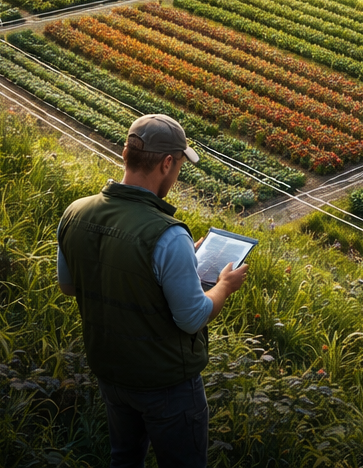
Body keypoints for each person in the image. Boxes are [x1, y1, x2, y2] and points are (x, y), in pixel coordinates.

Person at [57, 114, 249, 468]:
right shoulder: (167, 234)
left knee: (125, 459)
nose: (176, 176)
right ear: (166, 163)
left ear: (126, 153)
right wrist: (223, 285)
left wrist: (179, 261)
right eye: (178, 167)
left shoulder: (75, 213)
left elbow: (70, 286)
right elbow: (192, 318)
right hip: (166, 384)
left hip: (111, 372)